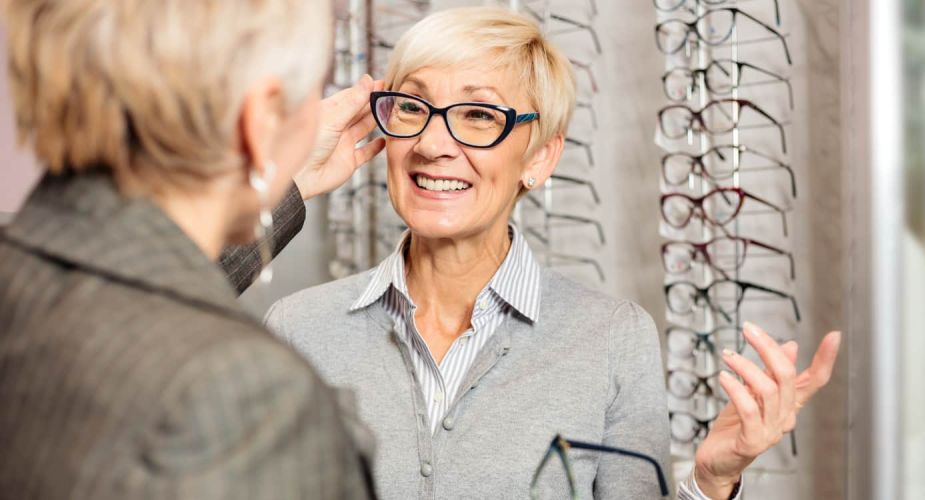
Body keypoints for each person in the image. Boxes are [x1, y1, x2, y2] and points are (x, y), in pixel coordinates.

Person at [265, 7, 842, 500]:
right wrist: (283, 183)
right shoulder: (299, 329)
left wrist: (710, 482)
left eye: (478, 116)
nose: (433, 144)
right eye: (412, 108)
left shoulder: (613, 338)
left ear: (540, 159)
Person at [0, 0, 385, 497]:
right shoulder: (251, 402)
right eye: (315, 89)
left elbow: (123, 307)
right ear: (261, 116)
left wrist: (272, 178)